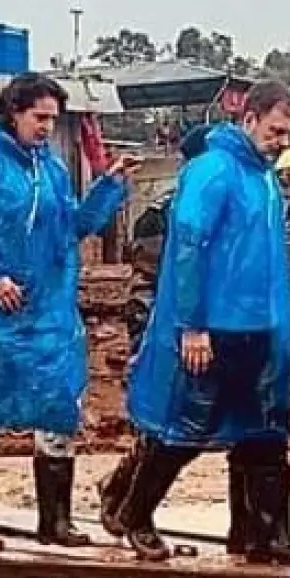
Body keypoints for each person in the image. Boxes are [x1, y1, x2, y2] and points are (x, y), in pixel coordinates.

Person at [116, 80, 290, 568]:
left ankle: (269, 535)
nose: (282, 143)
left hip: (261, 326)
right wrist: (191, 324)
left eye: (288, 134)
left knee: (266, 430)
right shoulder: (213, 171)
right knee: (187, 425)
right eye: (275, 131)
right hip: (216, 327)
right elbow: (188, 246)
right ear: (248, 119)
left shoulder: (264, 178)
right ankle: (135, 513)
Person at [0, 73, 131, 550]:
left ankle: (55, 522)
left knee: (56, 406)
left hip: (43, 312)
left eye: (52, 120)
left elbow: (72, 228)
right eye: (40, 117)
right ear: (13, 112)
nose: (46, 127)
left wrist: (109, 188)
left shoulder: (52, 169)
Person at [97, 122, 214, 540]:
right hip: (165, 331)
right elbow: (149, 283)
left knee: (183, 425)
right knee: (168, 424)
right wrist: (149, 341)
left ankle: (119, 492)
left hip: (207, 330)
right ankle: (124, 500)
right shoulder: (162, 216)